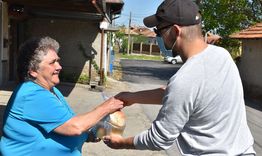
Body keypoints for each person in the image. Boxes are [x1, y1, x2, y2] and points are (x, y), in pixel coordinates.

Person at [103, 0, 256, 155]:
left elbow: (158, 138)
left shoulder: (185, 79)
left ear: (176, 31)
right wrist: (130, 97)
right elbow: (179, 95)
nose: (158, 37)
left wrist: (121, 143)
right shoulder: (222, 55)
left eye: (159, 31)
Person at [0, 36, 124, 156]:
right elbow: (74, 127)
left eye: (58, 61)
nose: (59, 66)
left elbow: (65, 122)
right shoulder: (31, 95)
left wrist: (90, 135)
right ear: (33, 70)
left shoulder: (52, 90)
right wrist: (108, 106)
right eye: (52, 62)